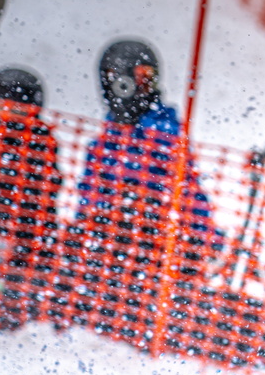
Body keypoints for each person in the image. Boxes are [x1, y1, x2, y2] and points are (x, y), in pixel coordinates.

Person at [54, 40, 218, 348]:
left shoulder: (164, 134)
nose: (133, 85)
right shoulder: (104, 142)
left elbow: (189, 188)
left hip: (152, 240)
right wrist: (81, 229)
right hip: (110, 243)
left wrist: (206, 236)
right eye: (126, 77)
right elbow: (90, 195)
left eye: (144, 77)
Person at [0, 68, 62, 330]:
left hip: (29, 226)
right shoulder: (39, 138)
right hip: (23, 225)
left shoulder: (39, 139)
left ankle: (17, 313)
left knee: (23, 270)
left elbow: (48, 185)